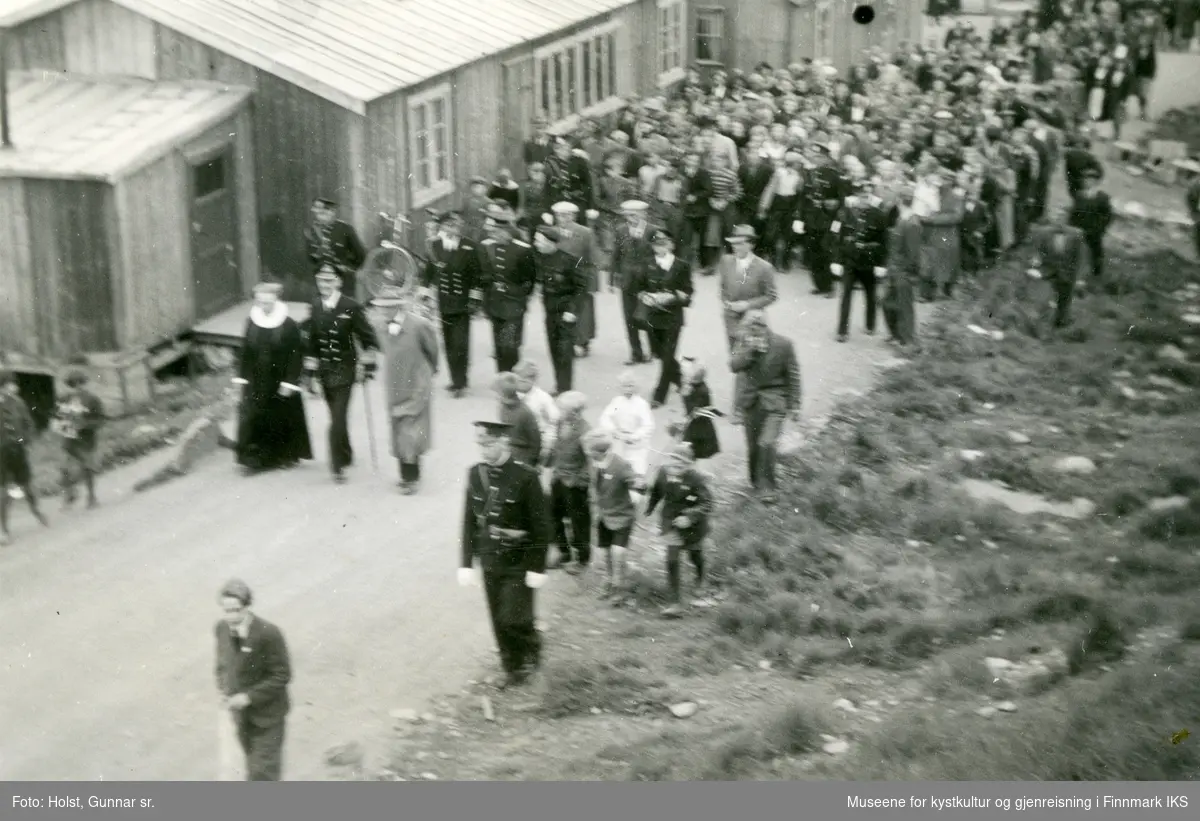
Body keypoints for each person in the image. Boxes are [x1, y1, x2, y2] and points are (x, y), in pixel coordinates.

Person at [459, 420, 552, 689]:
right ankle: (511, 668)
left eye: (489, 445)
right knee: (498, 618)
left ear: (504, 443)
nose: (484, 451)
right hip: (490, 557)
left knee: (514, 617)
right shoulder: (475, 474)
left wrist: (538, 567)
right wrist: (465, 563)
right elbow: (468, 521)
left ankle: (531, 653)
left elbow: (541, 526)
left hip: (519, 559)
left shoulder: (526, 477)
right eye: (481, 445)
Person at [304, 266, 379, 484]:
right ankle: (346, 453)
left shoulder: (351, 306)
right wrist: (309, 373)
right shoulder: (316, 305)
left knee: (337, 418)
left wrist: (368, 365)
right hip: (325, 372)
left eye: (329, 281)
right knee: (336, 416)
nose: (325, 286)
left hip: (346, 371)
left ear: (338, 282)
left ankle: (337, 466)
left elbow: (369, 339)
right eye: (321, 281)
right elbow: (312, 342)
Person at [214, 578, 292, 781]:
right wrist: (223, 690)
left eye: (236, 610)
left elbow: (282, 675)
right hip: (241, 718)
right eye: (226, 610)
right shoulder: (221, 629)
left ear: (247, 607)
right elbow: (223, 665)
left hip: (268, 718)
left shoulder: (269, 634)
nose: (231, 617)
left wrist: (248, 697)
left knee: (262, 773)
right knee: (252, 768)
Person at [232, 282, 312, 475]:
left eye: (267, 302)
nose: (263, 306)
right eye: (260, 302)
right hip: (256, 379)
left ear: (276, 300)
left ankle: (282, 456)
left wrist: (290, 382)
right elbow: (245, 352)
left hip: (280, 379)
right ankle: (254, 458)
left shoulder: (288, 324)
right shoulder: (251, 321)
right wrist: (241, 379)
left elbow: (295, 355)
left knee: (280, 417)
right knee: (253, 415)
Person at [371, 288, 439, 495]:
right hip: (394, 382)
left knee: (411, 428)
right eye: (380, 308)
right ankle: (405, 475)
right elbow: (382, 350)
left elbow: (433, 351)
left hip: (416, 381)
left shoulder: (419, 325)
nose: (383, 312)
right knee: (398, 428)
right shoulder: (380, 326)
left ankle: (412, 478)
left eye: (387, 308)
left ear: (398, 306)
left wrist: (429, 372)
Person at [730, 310, 802, 505]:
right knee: (753, 446)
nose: (754, 333)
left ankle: (768, 487)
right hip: (750, 402)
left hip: (775, 401)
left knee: (766, 443)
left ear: (765, 327)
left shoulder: (783, 345)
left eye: (758, 328)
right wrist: (749, 351)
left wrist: (795, 404)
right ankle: (756, 482)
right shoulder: (744, 342)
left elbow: (793, 375)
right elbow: (734, 366)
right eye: (750, 329)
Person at [644, 442, 714, 618]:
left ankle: (700, 578)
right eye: (673, 461)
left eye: (681, 464)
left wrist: (690, 517)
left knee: (695, 555)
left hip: (694, 527)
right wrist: (650, 508)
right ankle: (674, 603)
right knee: (672, 560)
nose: (676, 466)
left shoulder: (697, 478)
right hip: (671, 523)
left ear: (689, 464)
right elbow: (657, 492)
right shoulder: (662, 472)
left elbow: (708, 503)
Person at [630, 229, 694, 408]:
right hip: (652, 316)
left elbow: (689, 292)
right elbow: (639, 288)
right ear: (652, 247)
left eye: (664, 243)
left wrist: (675, 297)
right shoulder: (646, 264)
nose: (661, 247)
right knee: (659, 353)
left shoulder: (682, 265)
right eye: (657, 244)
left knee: (667, 356)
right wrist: (646, 297)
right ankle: (680, 379)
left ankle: (659, 394)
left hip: (673, 317)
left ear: (671, 245)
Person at [421, 211, 482, 397]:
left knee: (460, 343)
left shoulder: (470, 247)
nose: (452, 229)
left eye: (455, 226)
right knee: (448, 342)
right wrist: (424, 294)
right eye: (447, 225)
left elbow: (477, 276)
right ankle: (455, 379)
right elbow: (428, 273)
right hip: (444, 300)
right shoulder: (434, 245)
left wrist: (474, 300)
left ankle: (460, 381)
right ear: (442, 227)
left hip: (463, 302)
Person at [831, 180, 892, 343]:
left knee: (871, 295)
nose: (864, 199)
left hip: (869, 261)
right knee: (845, 296)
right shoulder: (845, 213)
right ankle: (842, 331)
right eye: (861, 195)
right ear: (855, 196)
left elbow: (884, 241)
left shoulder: (879, 215)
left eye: (867, 196)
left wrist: (881, 264)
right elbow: (837, 237)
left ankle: (870, 325)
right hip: (850, 261)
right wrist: (836, 260)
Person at [477, 206, 536, 374]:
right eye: (494, 232)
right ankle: (503, 378)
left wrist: (519, 296)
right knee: (499, 346)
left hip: (513, 304)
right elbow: (483, 275)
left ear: (509, 232)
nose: (496, 236)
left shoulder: (522, 250)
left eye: (500, 232)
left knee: (510, 345)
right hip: (494, 303)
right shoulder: (485, 247)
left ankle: (513, 377)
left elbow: (529, 280)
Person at [583, 430, 640, 599]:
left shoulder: (620, 465)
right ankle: (608, 581)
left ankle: (619, 586)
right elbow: (593, 485)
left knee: (618, 553)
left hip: (622, 516)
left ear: (601, 452)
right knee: (603, 553)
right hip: (603, 515)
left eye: (590, 451)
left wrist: (638, 483)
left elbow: (634, 481)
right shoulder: (594, 463)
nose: (588, 454)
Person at [532, 224, 587, 395]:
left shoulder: (569, 260)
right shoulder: (540, 258)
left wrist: (572, 310)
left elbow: (581, 288)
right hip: (549, 312)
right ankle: (560, 385)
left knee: (564, 352)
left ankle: (565, 388)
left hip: (565, 313)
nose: (536, 244)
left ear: (550, 242)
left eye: (539, 241)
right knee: (554, 350)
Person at [0, 369, 47, 545]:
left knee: (26, 486)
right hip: (2, 454)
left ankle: (37, 512)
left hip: (18, 450)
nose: (14, 387)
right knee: (5, 491)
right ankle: (4, 529)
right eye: (10, 383)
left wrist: (24, 439)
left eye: (14, 383)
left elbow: (29, 424)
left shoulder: (18, 403)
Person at [547, 391, 591, 574]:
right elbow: (557, 447)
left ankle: (582, 559)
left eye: (563, 409)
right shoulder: (560, 423)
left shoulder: (585, 430)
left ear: (576, 412)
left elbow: (591, 461)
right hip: (558, 477)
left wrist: (581, 481)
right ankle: (563, 552)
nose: (559, 411)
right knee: (554, 515)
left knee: (578, 521)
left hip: (575, 483)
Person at [611, 200, 659, 365]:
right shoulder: (621, 230)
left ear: (643, 214)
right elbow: (616, 255)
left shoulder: (652, 230)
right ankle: (635, 352)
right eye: (627, 215)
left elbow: (657, 255)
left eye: (634, 215)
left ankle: (654, 350)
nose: (630, 218)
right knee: (629, 317)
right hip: (627, 280)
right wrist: (612, 278)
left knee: (647, 316)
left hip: (646, 281)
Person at [551, 202, 601, 358]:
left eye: (566, 215)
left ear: (573, 216)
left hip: (581, 276)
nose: (562, 218)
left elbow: (593, 257)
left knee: (583, 311)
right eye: (559, 215)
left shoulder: (585, 232)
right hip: (560, 279)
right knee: (562, 310)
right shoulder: (551, 232)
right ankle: (567, 343)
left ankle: (583, 342)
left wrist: (592, 281)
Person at [718, 225, 778, 352]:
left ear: (751, 245)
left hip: (753, 318)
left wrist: (747, 305)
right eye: (733, 243)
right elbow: (723, 287)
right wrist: (727, 303)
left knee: (752, 355)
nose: (735, 247)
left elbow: (771, 295)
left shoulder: (764, 267)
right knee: (734, 354)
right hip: (730, 317)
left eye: (740, 243)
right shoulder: (725, 261)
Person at [51, 364, 104, 508]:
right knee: (64, 468)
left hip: (86, 440)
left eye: (80, 383)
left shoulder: (92, 399)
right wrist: (64, 426)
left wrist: (85, 424)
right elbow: (57, 419)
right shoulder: (63, 399)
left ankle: (92, 497)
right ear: (69, 385)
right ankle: (70, 493)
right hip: (69, 440)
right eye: (73, 384)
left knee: (87, 468)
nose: (77, 387)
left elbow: (100, 420)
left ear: (84, 383)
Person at [1029, 217, 1086, 330]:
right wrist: (1036, 259)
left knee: (1064, 300)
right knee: (1046, 297)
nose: (1059, 223)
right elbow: (1038, 250)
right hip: (1048, 271)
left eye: (1062, 219)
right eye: (1057, 220)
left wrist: (1080, 279)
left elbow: (1080, 258)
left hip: (1067, 274)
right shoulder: (1044, 233)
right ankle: (1043, 325)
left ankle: (1060, 322)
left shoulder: (1076, 235)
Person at [304, 196, 366, 300]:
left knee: (345, 309)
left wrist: (348, 268)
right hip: (322, 281)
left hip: (343, 281)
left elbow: (360, 255)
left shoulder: (345, 229)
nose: (319, 217)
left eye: (323, 213)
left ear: (332, 212)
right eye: (318, 214)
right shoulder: (311, 232)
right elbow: (310, 257)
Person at [598, 370, 655, 481]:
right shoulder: (617, 402)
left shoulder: (641, 404)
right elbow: (605, 417)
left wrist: (635, 436)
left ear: (636, 387)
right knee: (619, 470)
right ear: (619, 387)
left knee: (637, 472)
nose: (627, 389)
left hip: (636, 444)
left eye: (630, 386)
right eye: (624, 386)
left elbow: (648, 425)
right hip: (620, 441)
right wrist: (613, 430)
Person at [882, 186, 921, 348]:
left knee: (904, 305)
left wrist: (906, 271)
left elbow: (913, 254)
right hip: (894, 268)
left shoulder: (912, 222)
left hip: (902, 270)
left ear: (899, 200)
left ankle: (907, 339)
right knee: (888, 303)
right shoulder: (903, 219)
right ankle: (896, 334)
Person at [1068, 168, 1113, 285]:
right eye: (1085, 179)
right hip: (1078, 230)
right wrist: (1071, 227)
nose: (1087, 182)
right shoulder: (1080, 196)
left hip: (1094, 231)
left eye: (1090, 180)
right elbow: (1073, 213)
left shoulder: (1102, 198)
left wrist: (1100, 229)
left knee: (1095, 253)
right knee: (1076, 251)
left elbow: (1108, 216)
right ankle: (1075, 275)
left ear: (1096, 182)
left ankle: (1096, 276)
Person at [671, 358, 721, 462]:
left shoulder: (700, 391)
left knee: (691, 449)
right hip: (698, 425)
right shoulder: (698, 387)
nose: (684, 378)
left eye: (686, 376)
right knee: (692, 450)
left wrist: (685, 396)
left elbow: (692, 410)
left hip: (698, 427)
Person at [514, 360, 559, 470]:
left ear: (534, 380)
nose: (520, 382)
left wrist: (546, 448)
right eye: (518, 379)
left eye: (525, 379)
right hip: (517, 439)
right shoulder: (512, 395)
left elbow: (552, 423)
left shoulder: (543, 399)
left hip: (537, 441)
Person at [495, 372, 542, 468]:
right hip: (508, 451)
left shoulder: (524, 412)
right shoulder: (503, 407)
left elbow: (536, 440)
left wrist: (532, 461)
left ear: (503, 394)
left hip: (523, 456)